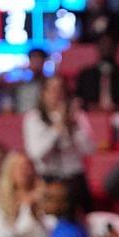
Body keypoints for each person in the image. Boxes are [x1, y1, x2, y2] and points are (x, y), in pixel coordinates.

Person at [24, 76, 94, 209]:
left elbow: (89, 149)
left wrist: (73, 127)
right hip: (47, 180)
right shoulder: (33, 118)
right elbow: (36, 154)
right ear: (43, 93)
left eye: (60, 90)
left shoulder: (77, 116)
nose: (56, 94)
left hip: (74, 179)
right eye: (52, 89)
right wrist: (57, 129)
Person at [75, 31, 119, 112]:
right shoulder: (85, 75)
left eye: (110, 44)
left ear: (116, 47)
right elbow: (78, 101)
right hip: (90, 118)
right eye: (103, 44)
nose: (106, 47)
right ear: (97, 47)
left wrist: (118, 108)